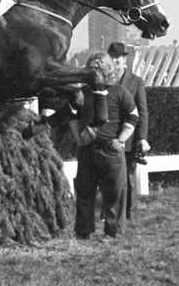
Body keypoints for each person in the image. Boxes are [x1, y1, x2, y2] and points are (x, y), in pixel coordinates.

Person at [73, 53, 139, 239]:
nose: (95, 72)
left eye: (99, 68)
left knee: (114, 194)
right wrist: (78, 138)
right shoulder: (83, 92)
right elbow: (73, 116)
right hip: (87, 151)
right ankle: (83, 232)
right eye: (92, 68)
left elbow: (133, 116)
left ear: (108, 70)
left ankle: (113, 233)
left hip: (111, 152)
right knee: (84, 193)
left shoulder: (119, 91)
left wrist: (121, 140)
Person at [107, 41, 150, 220]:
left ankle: (129, 214)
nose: (116, 61)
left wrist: (142, 138)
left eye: (119, 58)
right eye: (113, 57)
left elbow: (142, 112)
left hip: (130, 138)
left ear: (125, 60)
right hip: (109, 137)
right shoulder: (105, 80)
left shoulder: (136, 82)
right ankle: (110, 212)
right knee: (110, 177)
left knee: (128, 177)